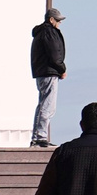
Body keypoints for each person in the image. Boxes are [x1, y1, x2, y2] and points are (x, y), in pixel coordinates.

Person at [29, 8, 67, 148]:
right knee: (47, 105)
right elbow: (54, 53)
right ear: (51, 20)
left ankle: (39, 136)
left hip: (44, 71)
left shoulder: (42, 32)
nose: (59, 23)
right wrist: (62, 69)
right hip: (48, 72)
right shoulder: (49, 32)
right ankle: (40, 137)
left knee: (45, 104)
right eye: (58, 20)